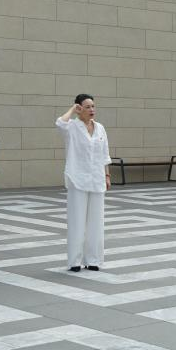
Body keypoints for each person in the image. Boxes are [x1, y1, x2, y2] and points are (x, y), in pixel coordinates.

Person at [56, 94, 111, 273]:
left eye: (93, 106)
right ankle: (74, 261)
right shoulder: (72, 126)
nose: (92, 110)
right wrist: (73, 110)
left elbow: (105, 154)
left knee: (96, 222)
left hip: (97, 179)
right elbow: (60, 123)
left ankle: (93, 259)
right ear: (79, 108)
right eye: (87, 107)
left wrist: (107, 175)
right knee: (77, 221)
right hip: (77, 179)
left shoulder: (100, 128)